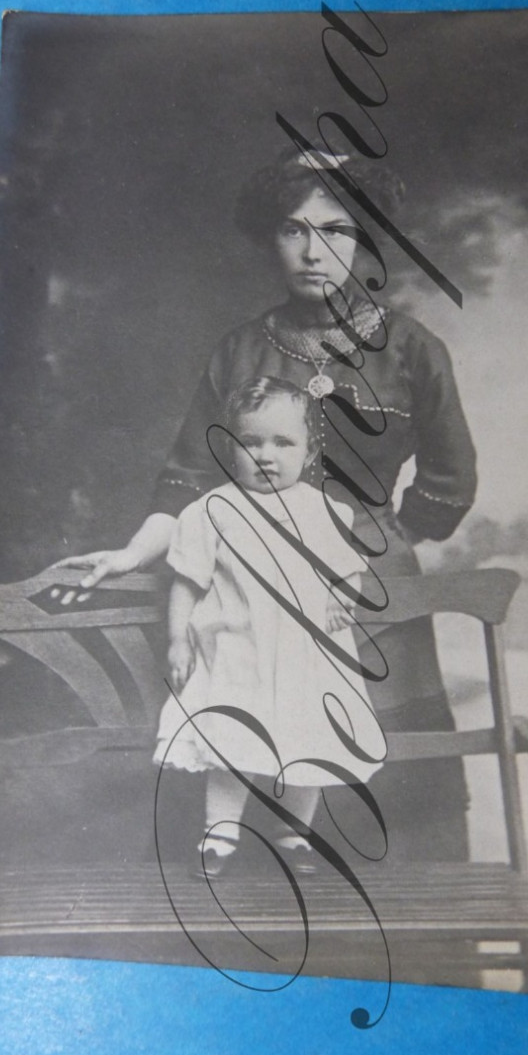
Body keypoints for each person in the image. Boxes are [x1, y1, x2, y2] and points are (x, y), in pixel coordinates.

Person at [59, 145, 477, 866]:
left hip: (369, 590)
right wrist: (131, 553)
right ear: (270, 239)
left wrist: (386, 539)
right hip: (246, 593)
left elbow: (451, 475)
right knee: (246, 753)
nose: (314, 251)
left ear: (368, 237)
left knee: (387, 773)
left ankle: (424, 949)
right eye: (293, 229)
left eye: (337, 229)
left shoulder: (412, 349)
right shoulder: (240, 350)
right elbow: (188, 478)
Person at [154, 376, 385, 877]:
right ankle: (220, 834)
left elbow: (347, 569)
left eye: (283, 443)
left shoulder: (325, 511)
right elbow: (187, 581)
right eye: (250, 442)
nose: (266, 455)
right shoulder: (212, 511)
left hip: (308, 656)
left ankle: (294, 834)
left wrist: (341, 599)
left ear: (308, 451)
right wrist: (177, 639)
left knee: (313, 741)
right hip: (240, 653)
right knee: (230, 743)